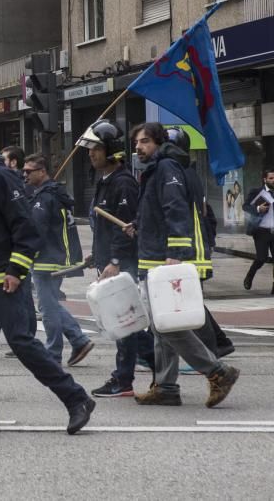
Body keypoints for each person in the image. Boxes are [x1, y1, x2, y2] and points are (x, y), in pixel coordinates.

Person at [0, 121, 95, 434]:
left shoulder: (0, 176)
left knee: (23, 343)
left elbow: (26, 228)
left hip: (2, 280)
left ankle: (76, 399)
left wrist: (16, 270)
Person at [127, 122, 239, 408]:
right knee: (159, 325)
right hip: (151, 254)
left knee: (166, 325)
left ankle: (217, 372)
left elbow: (176, 208)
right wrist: (139, 224)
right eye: (136, 143)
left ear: (158, 142)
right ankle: (165, 386)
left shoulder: (166, 168)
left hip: (161, 258)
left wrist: (176, 250)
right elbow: (156, 209)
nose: (138, 147)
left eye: (144, 142)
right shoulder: (154, 169)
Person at [78, 120, 152, 399]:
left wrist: (116, 260)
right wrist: (97, 255)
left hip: (123, 265)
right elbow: (105, 226)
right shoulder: (105, 182)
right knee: (126, 324)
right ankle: (161, 365)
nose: (90, 154)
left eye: (95, 148)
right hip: (109, 261)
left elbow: (126, 226)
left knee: (123, 325)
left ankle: (123, 380)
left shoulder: (124, 184)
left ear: (111, 149)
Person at [163, 127, 234, 359]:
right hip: (194, 246)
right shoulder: (188, 173)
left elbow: (178, 212)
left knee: (187, 302)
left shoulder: (178, 174)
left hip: (188, 248)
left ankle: (213, 348)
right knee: (189, 300)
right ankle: (219, 343)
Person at [23, 154, 95, 366]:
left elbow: (37, 230)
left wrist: (27, 254)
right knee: (50, 303)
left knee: (48, 307)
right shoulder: (54, 193)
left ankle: (54, 352)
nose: (24, 175)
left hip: (47, 258)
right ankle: (77, 339)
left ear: (42, 171)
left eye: (29, 171)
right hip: (58, 255)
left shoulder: (45, 198)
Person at [0, 145, 34, 357]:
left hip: (18, 252)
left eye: (4, 159)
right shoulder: (7, 182)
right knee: (10, 297)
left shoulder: (17, 185)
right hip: (9, 252)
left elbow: (23, 222)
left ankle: (75, 337)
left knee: (21, 298)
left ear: (13, 163)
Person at [242, 167, 274, 292]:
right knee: (261, 258)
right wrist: (257, 209)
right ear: (265, 179)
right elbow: (245, 206)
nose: (273, 180)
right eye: (271, 178)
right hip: (261, 231)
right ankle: (250, 276)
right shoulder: (256, 192)